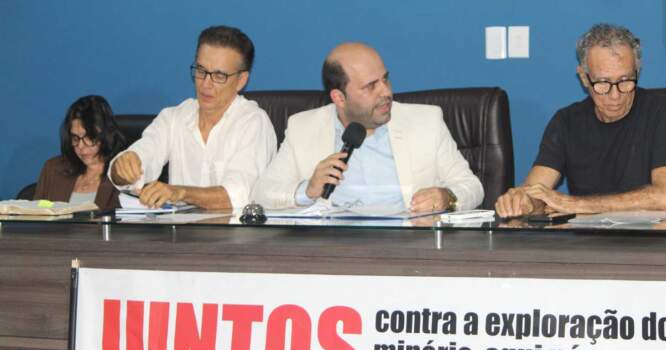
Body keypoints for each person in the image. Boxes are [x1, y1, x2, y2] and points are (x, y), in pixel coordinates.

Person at [251, 42, 484, 212]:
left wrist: (447, 197)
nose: (386, 92)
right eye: (371, 86)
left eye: (385, 79)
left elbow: (472, 187)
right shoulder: (303, 127)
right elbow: (260, 194)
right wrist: (307, 190)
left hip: (407, 246)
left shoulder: (426, 121)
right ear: (339, 98)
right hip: (332, 248)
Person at [495, 24, 666, 217]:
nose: (615, 96)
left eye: (625, 81)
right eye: (603, 83)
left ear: (637, 72)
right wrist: (524, 202)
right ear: (584, 78)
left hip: (652, 234)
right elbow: (536, 191)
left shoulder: (663, 111)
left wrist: (573, 204)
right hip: (585, 235)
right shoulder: (566, 121)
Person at [109, 26, 276, 209]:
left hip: (237, 227)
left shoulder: (254, 122)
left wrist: (181, 193)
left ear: (241, 81)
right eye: (201, 71)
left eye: (219, 75)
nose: (206, 84)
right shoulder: (173, 118)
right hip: (179, 228)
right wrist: (124, 168)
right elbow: (140, 158)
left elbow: (238, 194)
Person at [34, 95, 126, 210]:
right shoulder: (53, 169)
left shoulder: (123, 172)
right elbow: (36, 213)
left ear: (106, 135)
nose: (81, 146)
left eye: (90, 137)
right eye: (75, 138)